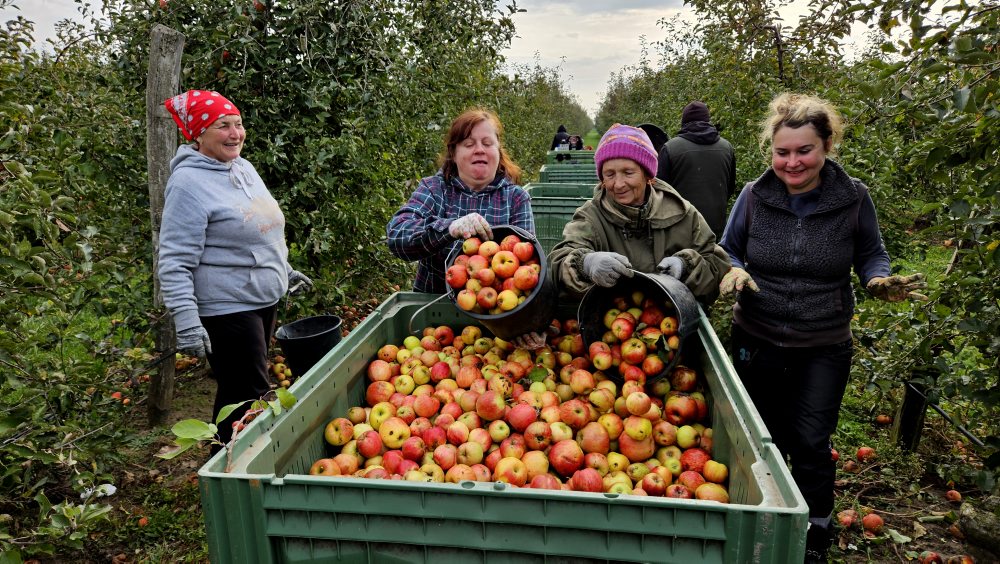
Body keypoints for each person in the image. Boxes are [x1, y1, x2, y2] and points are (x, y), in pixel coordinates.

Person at [717, 92, 926, 563]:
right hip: (757, 335)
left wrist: (876, 279)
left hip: (822, 343)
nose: (792, 162)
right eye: (782, 151)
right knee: (759, 438)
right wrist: (733, 268)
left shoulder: (853, 198)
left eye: (804, 150)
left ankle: (814, 533)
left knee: (811, 440)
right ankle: (756, 525)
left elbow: (871, 252)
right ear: (771, 150)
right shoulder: (754, 195)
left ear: (827, 146)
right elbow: (727, 247)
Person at [158, 90, 314, 450]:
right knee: (252, 395)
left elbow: (257, 228)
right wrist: (186, 320)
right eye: (223, 126)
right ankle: (242, 471)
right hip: (227, 306)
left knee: (236, 391)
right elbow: (174, 259)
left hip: (260, 298)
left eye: (238, 124)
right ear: (197, 134)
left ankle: (221, 460)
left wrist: (284, 269)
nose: (235, 133)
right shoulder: (188, 184)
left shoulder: (241, 167)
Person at [549, 123, 730, 305]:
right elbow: (559, 263)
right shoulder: (590, 217)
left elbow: (715, 268)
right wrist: (585, 263)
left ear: (647, 174)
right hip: (610, 322)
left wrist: (686, 266)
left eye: (628, 173)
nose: (618, 184)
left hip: (674, 318)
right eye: (609, 174)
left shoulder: (682, 214)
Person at [386, 107, 534, 295]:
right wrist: (450, 228)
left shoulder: (515, 198)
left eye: (487, 143)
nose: (479, 150)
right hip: (433, 306)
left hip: (496, 312)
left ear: (498, 152)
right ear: (454, 154)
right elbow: (398, 236)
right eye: (469, 143)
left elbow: (527, 262)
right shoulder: (435, 189)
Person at [656, 101, 736, 238]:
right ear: (707, 120)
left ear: (684, 121)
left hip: (679, 230)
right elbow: (730, 188)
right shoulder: (727, 147)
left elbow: (659, 192)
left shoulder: (670, 148)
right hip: (716, 230)